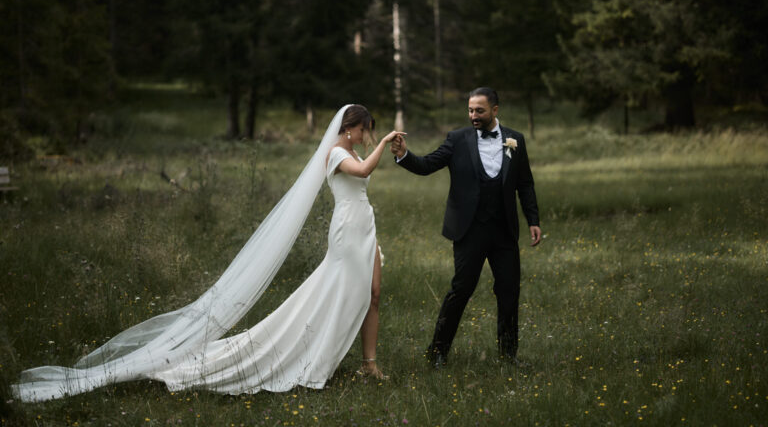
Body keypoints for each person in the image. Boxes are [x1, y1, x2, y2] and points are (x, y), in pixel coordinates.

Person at [13, 105, 403, 401]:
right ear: (350, 129)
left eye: (370, 133)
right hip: (347, 232)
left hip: (364, 226)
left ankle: (369, 364)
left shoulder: (347, 148)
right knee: (334, 295)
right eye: (364, 131)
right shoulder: (336, 153)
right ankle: (310, 352)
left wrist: (391, 147)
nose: (366, 136)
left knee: (372, 295)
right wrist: (385, 143)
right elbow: (364, 171)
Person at [390, 88, 541, 367]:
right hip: (469, 231)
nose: (473, 116)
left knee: (509, 291)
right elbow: (427, 165)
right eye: (470, 110)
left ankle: (509, 357)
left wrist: (533, 219)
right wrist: (404, 155)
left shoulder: (515, 140)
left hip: (504, 231)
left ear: (495, 110)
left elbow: (525, 183)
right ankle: (437, 353)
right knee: (461, 290)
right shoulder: (457, 140)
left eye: (479, 111)